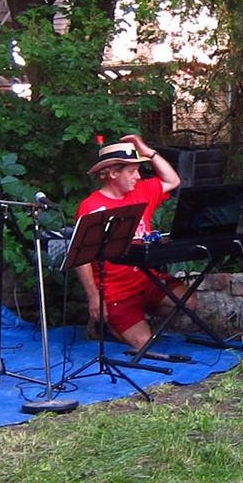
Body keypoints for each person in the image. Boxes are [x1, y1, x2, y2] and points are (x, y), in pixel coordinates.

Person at [74, 136, 185, 350]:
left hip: (145, 279)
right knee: (144, 345)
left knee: (187, 301)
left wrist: (148, 151)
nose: (138, 176)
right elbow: (82, 257)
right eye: (132, 171)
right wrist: (94, 296)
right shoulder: (91, 206)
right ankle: (111, 324)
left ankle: (140, 315)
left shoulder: (141, 191)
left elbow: (173, 181)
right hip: (116, 290)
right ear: (113, 174)